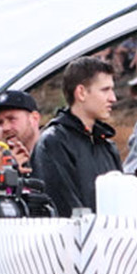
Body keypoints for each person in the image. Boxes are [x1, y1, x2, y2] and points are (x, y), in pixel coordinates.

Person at [31, 57, 120, 217]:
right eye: (105, 90)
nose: (113, 98)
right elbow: (63, 209)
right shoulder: (53, 142)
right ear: (81, 92)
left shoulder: (108, 147)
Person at [0, 89, 46, 165]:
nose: (5, 128)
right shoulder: (1, 163)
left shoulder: (55, 151)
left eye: (12, 119)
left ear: (34, 118)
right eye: (0, 122)